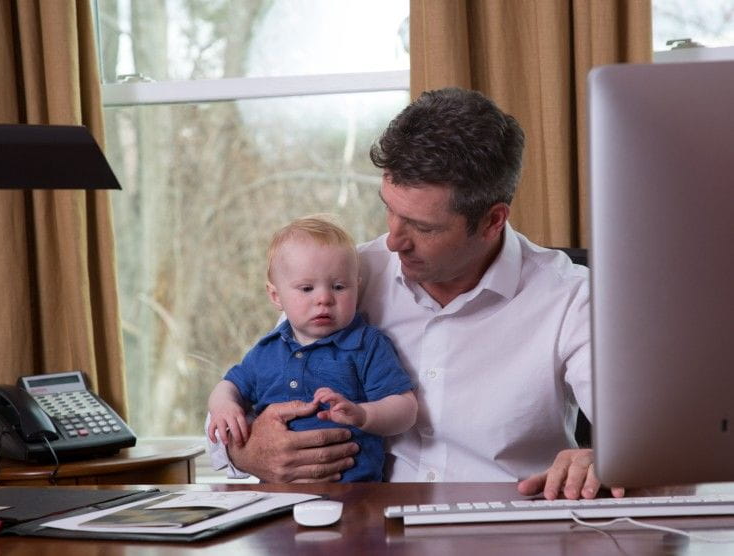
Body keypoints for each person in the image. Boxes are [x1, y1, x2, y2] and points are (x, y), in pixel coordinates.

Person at [209, 88, 623, 500]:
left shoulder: (571, 298)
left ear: (492, 221)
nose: (393, 241)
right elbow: (236, 413)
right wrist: (248, 453)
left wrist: (604, 458)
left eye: (423, 227)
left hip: (505, 530)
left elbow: (645, 442)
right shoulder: (343, 280)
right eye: (389, 208)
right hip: (361, 529)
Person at [207, 216, 417, 482]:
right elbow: (229, 386)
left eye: (339, 287)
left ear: (357, 285)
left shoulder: (367, 344)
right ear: (275, 296)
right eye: (306, 288)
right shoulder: (266, 351)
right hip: (276, 497)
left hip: (355, 495)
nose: (324, 299)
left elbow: (405, 408)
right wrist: (224, 406)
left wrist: (364, 414)